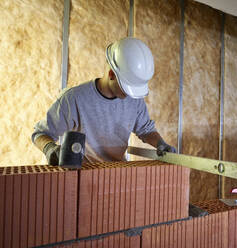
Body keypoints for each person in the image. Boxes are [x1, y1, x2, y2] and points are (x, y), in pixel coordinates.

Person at [32, 37, 176, 165]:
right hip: (82, 176)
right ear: (111, 74)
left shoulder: (134, 100)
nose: (129, 94)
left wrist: (160, 144)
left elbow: (145, 130)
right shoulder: (74, 99)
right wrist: (49, 148)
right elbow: (40, 133)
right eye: (127, 87)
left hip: (116, 172)